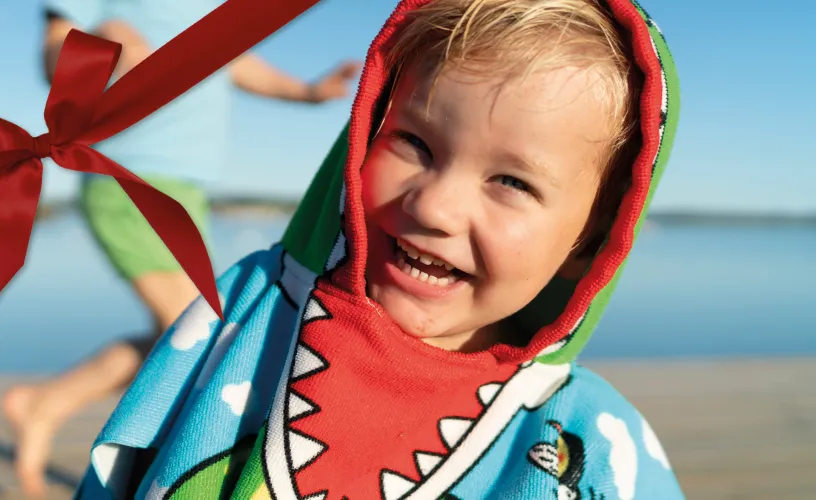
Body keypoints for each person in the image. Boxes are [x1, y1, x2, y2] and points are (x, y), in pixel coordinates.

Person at [72, 0, 685, 498]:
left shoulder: (586, 443)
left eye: (512, 181)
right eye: (415, 143)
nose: (433, 206)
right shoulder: (249, 308)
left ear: (593, 242)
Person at [0, 1, 360, 497]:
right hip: (126, 177)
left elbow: (232, 59)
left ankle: (46, 403)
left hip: (187, 189)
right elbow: (55, 52)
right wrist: (101, 40)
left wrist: (305, 92)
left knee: (185, 330)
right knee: (199, 332)